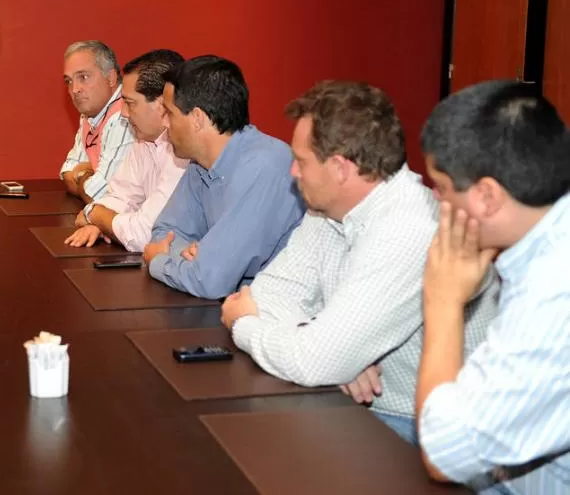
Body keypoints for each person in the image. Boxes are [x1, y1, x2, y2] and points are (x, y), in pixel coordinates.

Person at [220, 81, 498, 444]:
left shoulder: (408, 229)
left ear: (340, 168)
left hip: (427, 427)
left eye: (301, 161)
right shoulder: (328, 210)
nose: (293, 173)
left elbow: (307, 357)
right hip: (359, 405)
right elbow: (271, 294)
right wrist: (330, 348)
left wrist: (242, 323)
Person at [416, 81, 570, 493]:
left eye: (441, 189)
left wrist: (443, 301)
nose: (435, 202)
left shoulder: (554, 290)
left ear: (486, 196)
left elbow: (443, 454)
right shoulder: (543, 243)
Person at [143, 55, 303, 299]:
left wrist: (160, 261)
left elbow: (208, 281)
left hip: (279, 317)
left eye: (169, 112)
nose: (164, 122)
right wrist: (193, 255)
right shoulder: (201, 162)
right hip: (234, 308)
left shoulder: (264, 167)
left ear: (197, 119)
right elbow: (165, 230)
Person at [64, 49, 187, 252]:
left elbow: (143, 234)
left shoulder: (183, 153)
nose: (123, 113)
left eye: (130, 104)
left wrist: (96, 216)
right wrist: (98, 217)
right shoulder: (144, 142)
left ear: (163, 104)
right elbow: (118, 197)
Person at [59, 40, 135, 202]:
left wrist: (81, 173)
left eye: (83, 77)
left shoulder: (125, 115)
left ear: (111, 78)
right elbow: (67, 171)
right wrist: (87, 176)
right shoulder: (91, 113)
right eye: (68, 81)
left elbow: (100, 194)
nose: (74, 89)